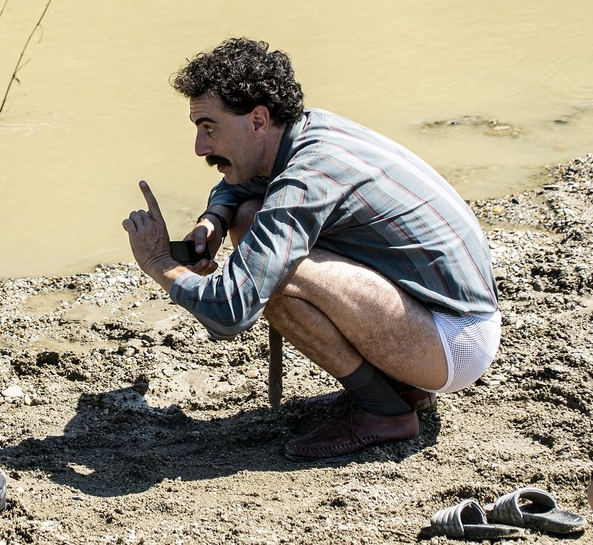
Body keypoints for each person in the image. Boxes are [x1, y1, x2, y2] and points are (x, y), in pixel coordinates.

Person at [122, 38, 500, 461]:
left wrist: (159, 263)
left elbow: (229, 312)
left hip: (454, 341)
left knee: (270, 272)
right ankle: (397, 389)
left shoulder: (306, 176)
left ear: (259, 120)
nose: (200, 147)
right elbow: (239, 182)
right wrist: (215, 217)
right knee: (249, 219)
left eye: (209, 128)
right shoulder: (309, 130)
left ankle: (385, 412)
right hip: (438, 318)